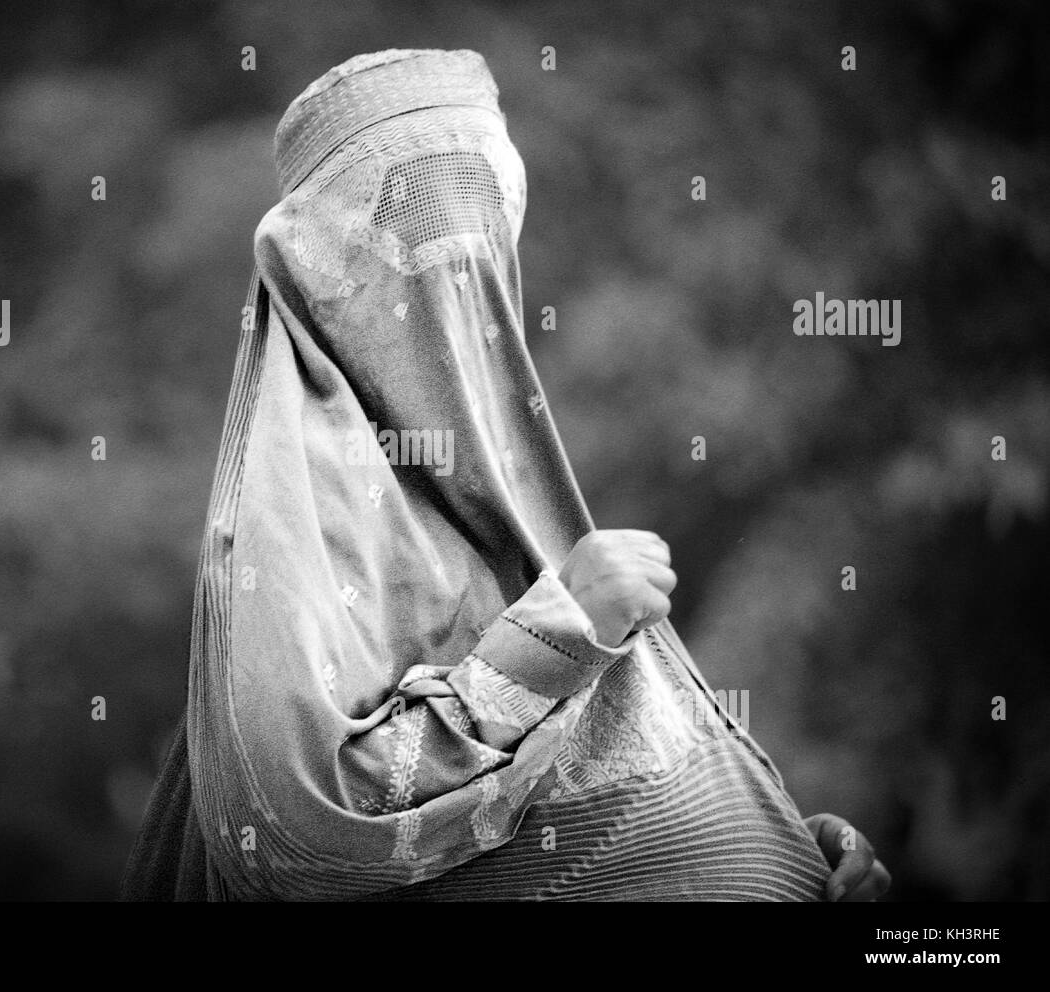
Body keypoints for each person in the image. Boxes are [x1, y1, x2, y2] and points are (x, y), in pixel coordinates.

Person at [123, 48, 891, 902]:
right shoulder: (289, 527)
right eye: (407, 225)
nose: (455, 267)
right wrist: (559, 635)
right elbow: (296, 833)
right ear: (314, 272)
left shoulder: (518, 495)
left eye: (483, 218)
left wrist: (787, 844)